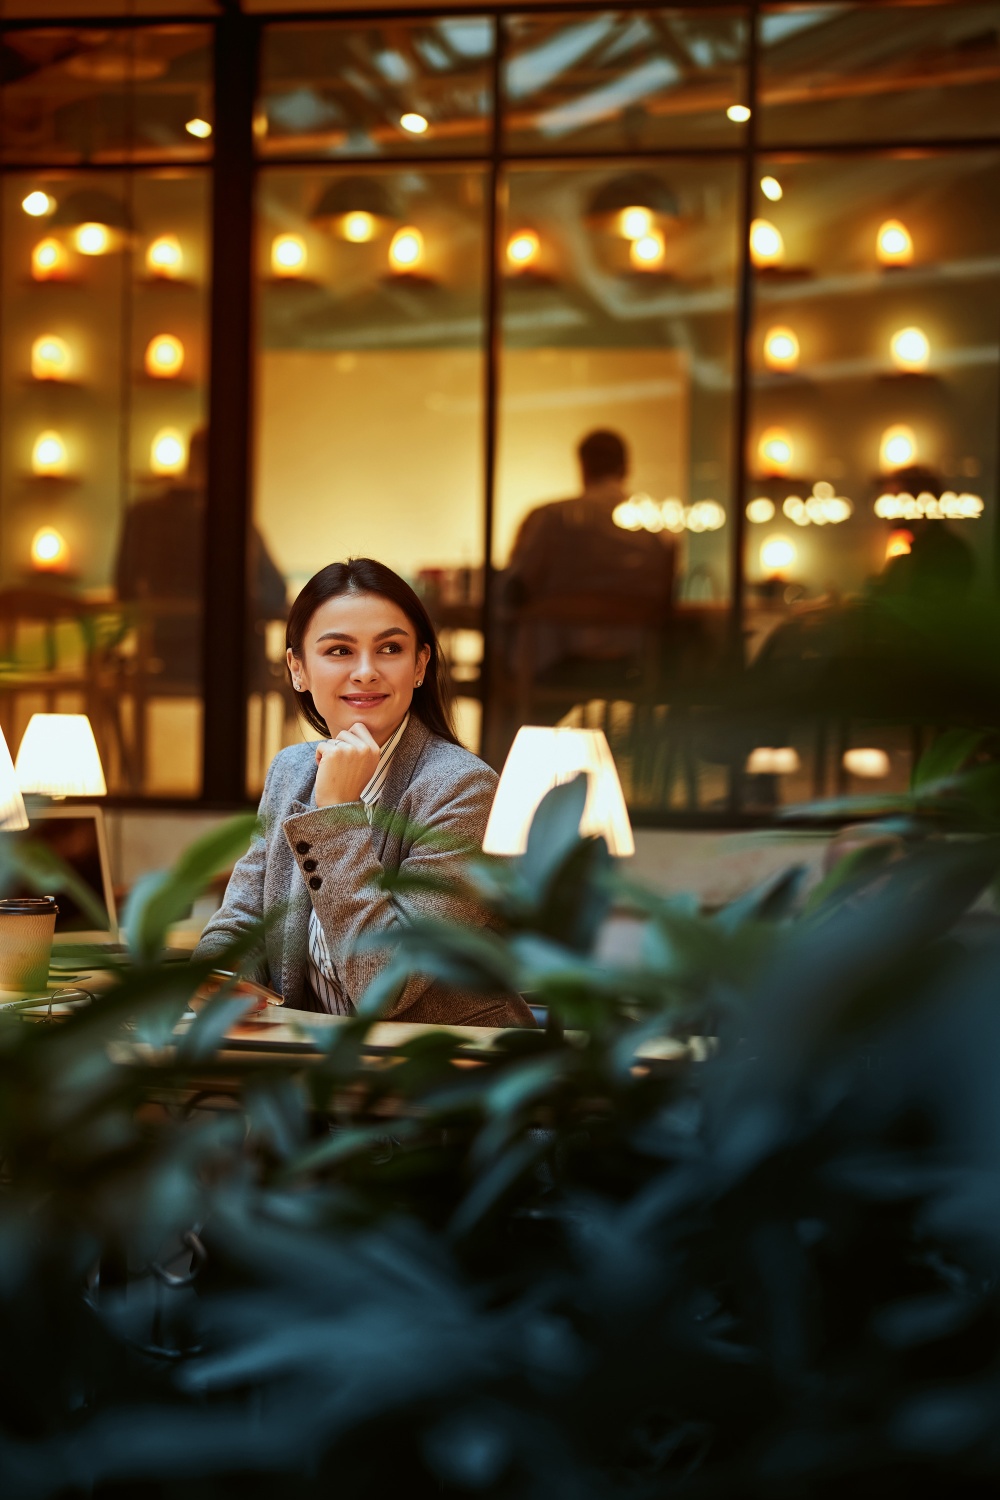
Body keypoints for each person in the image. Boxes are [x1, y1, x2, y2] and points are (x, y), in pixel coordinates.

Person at [194, 558, 534, 1028]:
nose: (366, 671)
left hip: (447, 1061)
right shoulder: (291, 770)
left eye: (390, 648)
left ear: (420, 665)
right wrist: (218, 978)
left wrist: (336, 814)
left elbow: (387, 986)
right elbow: (243, 919)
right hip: (314, 1052)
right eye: (339, 650)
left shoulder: (466, 789)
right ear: (297, 669)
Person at [114, 429, 288, 683]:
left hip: (166, 652)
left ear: (190, 460)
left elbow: (124, 589)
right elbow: (276, 592)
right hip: (234, 659)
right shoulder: (233, 519)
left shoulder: (143, 515)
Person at [502, 428, 675, 679]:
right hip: (635, 664)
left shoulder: (552, 518)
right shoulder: (658, 527)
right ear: (626, 468)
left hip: (553, 664)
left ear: (583, 466)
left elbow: (517, 585)